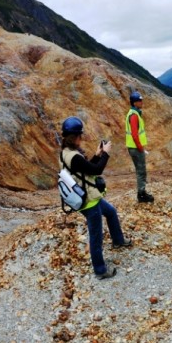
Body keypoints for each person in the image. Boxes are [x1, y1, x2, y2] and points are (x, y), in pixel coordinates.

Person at [60, 116, 132, 280]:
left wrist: (97, 154)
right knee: (96, 236)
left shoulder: (66, 153)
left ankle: (118, 240)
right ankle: (100, 270)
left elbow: (86, 169)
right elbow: (97, 170)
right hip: (88, 202)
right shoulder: (75, 157)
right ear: (77, 137)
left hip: (89, 196)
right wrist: (106, 154)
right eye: (80, 135)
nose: (82, 138)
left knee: (111, 212)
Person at [126, 90, 154, 203]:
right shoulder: (134, 115)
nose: (141, 102)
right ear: (134, 102)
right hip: (136, 148)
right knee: (141, 171)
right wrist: (140, 147)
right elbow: (134, 134)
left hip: (134, 147)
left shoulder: (134, 113)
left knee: (140, 170)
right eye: (139, 100)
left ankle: (142, 192)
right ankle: (141, 194)